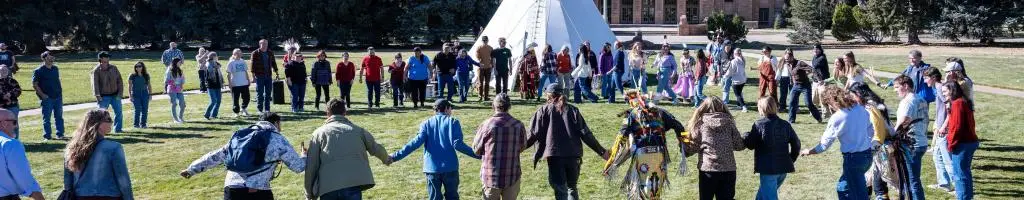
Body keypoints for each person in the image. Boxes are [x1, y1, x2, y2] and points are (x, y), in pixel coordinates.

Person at [180, 112, 305, 200]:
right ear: (276, 123)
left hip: (232, 188)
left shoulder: (242, 136)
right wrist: (304, 156)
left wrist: (191, 169)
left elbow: (215, 156)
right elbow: (298, 167)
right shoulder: (277, 139)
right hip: (258, 191)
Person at [525, 83, 609, 200]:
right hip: (573, 156)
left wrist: (518, 148)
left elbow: (533, 134)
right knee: (572, 188)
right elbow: (586, 134)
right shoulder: (573, 110)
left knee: (561, 191)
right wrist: (602, 152)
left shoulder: (543, 111)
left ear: (548, 95)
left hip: (555, 157)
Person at [602, 90, 687, 199]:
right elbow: (679, 126)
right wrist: (684, 144)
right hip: (659, 155)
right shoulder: (661, 112)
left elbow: (620, 138)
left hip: (642, 157)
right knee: (654, 190)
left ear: (631, 101)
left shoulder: (631, 114)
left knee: (640, 190)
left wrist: (611, 160)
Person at [390, 99, 481, 200]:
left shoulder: (426, 124)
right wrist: (478, 155)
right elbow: (458, 144)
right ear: (446, 109)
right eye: (451, 108)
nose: (451, 111)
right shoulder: (453, 122)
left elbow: (414, 143)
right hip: (450, 167)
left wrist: (395, 156)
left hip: (431, 168)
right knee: (452, 197)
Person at [304, 99, 392, 200]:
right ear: (345, 112)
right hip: (353, 185)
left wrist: (309, 192)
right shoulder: (358, 130)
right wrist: (386, 159)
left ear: (327, 113)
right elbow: (375, 148)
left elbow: (311, 165)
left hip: (328, 187)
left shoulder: (318, 134)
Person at [800, 85, 874, 200]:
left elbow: (824, 145)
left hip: (853, 159)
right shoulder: (860, 109)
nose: (830, 107)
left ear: (832, 101)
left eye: (828, 104)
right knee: (842, 187)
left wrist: (809, 151)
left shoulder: (838, 117)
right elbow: (870, 129)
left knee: (859, 194)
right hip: (867, 156)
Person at [63, 109, 134, 200]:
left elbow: (67, 182)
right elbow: (123, 180)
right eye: (108, 120)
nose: (112, 122)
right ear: (98, 124)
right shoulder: (114, 148)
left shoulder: (72, 148)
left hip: (80, 197)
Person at [684, 95, 745, 200]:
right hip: (728, 169)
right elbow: (739, 145)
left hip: (708, 170)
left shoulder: (701, 124)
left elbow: (693, 147)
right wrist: (745, 137)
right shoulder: (729, 123)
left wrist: (684, 144)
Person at [847, 82, 900, 200]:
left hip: (879, 146)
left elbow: (878, 129)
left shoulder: (870, 106)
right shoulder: (873, 103)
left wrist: (874, 147)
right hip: (878, 143)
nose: (853, 99)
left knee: (877, 180)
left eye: (853, 96)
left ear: (859, 94)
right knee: (871, 178)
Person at [742, 97, 800, 200]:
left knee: (769, 196)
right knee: (762, 196)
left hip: (769, 169)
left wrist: (746, 135)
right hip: (783, 168)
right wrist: (791, 159)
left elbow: (750, 145)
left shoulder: (759, 124)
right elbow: (796, 143)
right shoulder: (785, 124)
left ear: (762, 108)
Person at [471, 94, 526, 200]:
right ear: (509, 107)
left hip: (490, 176)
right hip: (512, 174)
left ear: (493, 106)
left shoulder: (486, 125)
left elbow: (476, 150)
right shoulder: (518, 125)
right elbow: (523, 146)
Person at [893, 75, 930, 200]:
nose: (895, 90)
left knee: (912, 181)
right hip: (922, 142)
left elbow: (904, 120)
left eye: (897, 87)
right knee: (913, 179)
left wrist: (892, 134)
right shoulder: (920, 99)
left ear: (906, 86)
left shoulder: (908, 101)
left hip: (911, 145)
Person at [921, 67, 955, 193]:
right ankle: (944, 183)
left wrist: (944, 126)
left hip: (944, 130)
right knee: (937, 156)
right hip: (940, 127)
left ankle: (956, 186)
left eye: (926, 78)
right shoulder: (937, 88)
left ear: (934, 77)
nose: (925, 81)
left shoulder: (941, 88)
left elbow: (949, 109)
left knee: (947, 159)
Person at [944, 81, 978, 200]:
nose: (943, 94)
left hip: (962, 143)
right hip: (969, 141)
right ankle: (966, 197)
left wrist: (951, 144)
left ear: (952, 90)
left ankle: (963, 197)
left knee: (959, 175)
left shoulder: (958, 103)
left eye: (945, 91)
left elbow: (956, 126)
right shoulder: (962, 101)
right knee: (964, 174)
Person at [0, 108, 45, 200]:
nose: (16, 126)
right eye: (14, 122)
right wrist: (39, 197)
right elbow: (22, 177)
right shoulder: (10, 144)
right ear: (4, 124)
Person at [32, 51, 65, 140]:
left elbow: (57, 81)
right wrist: (42, 95)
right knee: (47, 118)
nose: (51, 59)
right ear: (44, 58)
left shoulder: (55, 69)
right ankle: (47, 136)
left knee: (59, 117)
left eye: (52, 57)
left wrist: (60, 92)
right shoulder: (38, 71)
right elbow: (35, 84)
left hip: (58, 96)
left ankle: (60, 134)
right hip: (47, 98)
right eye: (49, 57)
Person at [91, 51, 125, 133]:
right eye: (106, 57)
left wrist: (120, 94)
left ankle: (118, 129)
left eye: (108, 57)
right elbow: (94, 84)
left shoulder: (114, 68)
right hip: (103, 97)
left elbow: (119, 80)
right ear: (101, 59)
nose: (108, 58)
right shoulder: (96, 71)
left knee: (119, 113)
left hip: (115, 95)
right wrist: (98, 96)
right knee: (101, 115)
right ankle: (100, 131)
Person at [787, 60, 824, 124]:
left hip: (805, 85)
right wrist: (792, 81)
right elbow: (792, 74)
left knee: (808, 103)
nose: (787, 60)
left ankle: (818, 118)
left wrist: (819, 79)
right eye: (786, 59)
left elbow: (812, 69)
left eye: (788, 59)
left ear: (791, 57)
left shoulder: (799, 63)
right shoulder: (788, 64)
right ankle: (791, 120)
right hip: (796, 85)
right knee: (792, 102)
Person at [251, 39, 280, 114]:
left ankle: (267, 109)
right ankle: (259, 110)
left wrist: (277, 72)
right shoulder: (255, 53)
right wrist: (253, 76)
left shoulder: (270, 52)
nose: (265, 45)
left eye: (266, 44)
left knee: (268, 93)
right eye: (263, 44)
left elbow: (274, 63)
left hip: (268, 76)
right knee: (260, 93)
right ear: (259, 44)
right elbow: (252, 66)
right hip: (259, 76)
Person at [226, 49, 251, 117]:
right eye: (238, 53)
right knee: (235, 99)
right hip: (235, 84)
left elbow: (245, 71)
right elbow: (228, 74)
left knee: (247, 98)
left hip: (244, 83)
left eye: (240, 53)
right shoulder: (231, 63)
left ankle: (243, 109)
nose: (240, 54)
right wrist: (230, 83)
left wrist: (248, 80)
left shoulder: (243, 61)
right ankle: (236, 112)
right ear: (234, 54)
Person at [128, 62, 151, 128]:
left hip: (145, 93)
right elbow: (129, 86)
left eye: (139, 66)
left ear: (142, 67)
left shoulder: (146, 75)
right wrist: (130, 95)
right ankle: (136, 125)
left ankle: (143, 124)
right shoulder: (132, 75)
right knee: (137, 109)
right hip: (135, 94)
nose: (138, 68)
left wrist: (150, 94)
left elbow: (149, 85)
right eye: (136, 66)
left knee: (145, 109)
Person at [0, 65, 21, 138]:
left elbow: (18, 91)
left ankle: (15, 140)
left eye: (5, 70)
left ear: (8, 71)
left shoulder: (12, 81)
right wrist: (3, 96)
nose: (4, 72)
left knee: (14, 124)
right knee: (1, 125)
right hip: (1, 108)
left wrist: (10, 94)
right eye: (2, 70)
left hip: (13, 106)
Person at [810, 44, 830, 116]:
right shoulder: (814, 57)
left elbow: (814, 67)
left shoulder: (822, 58)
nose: (815, 50)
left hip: (822, 81)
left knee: (823, 98)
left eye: (817, 49)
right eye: (814, 49)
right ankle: (814, 112)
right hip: (815, 81)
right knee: (814, 98)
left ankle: (826, 114)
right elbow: (813, 69)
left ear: (820, 50)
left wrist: (820, 80)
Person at [204, 52, 225, 119]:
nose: (217, 58)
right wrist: (215, 67)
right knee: (213, 101)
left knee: (218, 101)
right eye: (216, 56)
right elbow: (210, 71)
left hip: (218, 84)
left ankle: (214, 115)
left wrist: (222, 82)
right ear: (213, 57)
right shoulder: (208, 64)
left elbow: (219, 74)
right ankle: (207, 114)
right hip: (211, 85)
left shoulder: (217, 64)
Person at [166, 58, 187, 123]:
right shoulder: (169, 70)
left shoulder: (180, 70)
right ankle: (176, 119)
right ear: (175, 62)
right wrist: (173, 83)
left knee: (183, 104)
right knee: (174, 104)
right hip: (172, 89)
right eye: (179, 62)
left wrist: (181, 84)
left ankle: (180, 117)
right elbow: (167, 80)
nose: (180, 63)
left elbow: (183, 79)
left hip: (179, 89)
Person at [476, 36, 495, 101]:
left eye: (486, 40)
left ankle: (486, 97)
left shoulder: (490, 48)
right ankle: (480, 96)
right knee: (480, 83)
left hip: (488, 68)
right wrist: (480, 61)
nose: (485, 41)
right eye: (484, 40)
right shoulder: (479, 48)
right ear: (482, 41)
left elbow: (492, 57)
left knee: (487, 83)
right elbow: (477, 57)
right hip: (481, 68)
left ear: (488, 40)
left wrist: (491, 64)